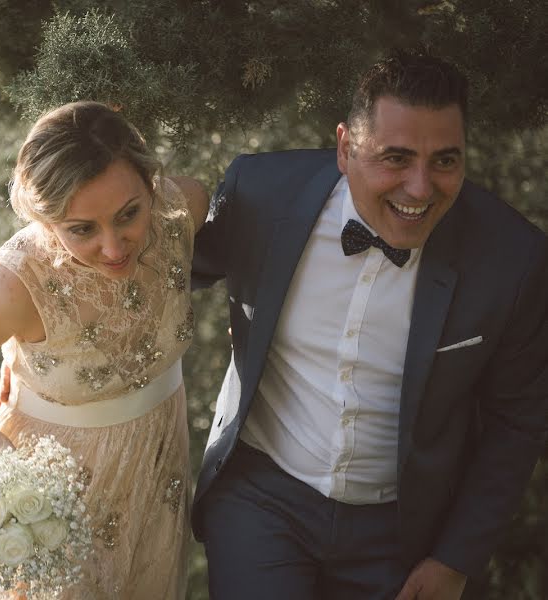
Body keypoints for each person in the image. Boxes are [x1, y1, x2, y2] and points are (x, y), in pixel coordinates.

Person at [191, 50, 548, 599]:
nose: (421, 187)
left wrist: (455, 558)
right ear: (345, 147)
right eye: (396, 158)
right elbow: (155, 272)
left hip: (402, 535)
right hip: (262, 499)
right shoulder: (260, 195)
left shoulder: (514, 259)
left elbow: (517, 421)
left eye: (445, 161)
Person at [0, 100, 209, 598]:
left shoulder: (184, 209)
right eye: (82, 230)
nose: (114, 248)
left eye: (128, 214)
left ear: (152, 183)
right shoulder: (12, 285)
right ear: (45, 220)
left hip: (158, 469)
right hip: (56, 494)